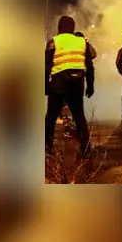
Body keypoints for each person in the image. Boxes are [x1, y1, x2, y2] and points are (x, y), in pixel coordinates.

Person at [45, 16, 95, 155]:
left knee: (51, 117)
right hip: (77, 84)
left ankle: (47, 148)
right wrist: (90, 86)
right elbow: (89, 66)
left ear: (59, 27)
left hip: (58, 84)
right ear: (73, 27)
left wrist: (44, 86)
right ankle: (85, 149)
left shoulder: (54, 41)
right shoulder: (82, 42)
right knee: (79, 116)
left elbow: (46, 67)